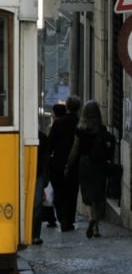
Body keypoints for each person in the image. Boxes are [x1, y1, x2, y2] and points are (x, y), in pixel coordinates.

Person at [66, 100, 113, 239]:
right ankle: (96, 227)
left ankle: (92, 218)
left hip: (85, 164)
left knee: (88, 196)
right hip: (99, 165)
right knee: (98, 196)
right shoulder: (101, 129)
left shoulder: (80, 129)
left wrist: (68, 164)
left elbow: (75, 149)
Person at [48, 95, 81, 232]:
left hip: (58, 164)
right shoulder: (79, 123)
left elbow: (50, 145)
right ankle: (69, 219)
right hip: (74, 164)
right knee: (72, 193)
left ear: (67, 106)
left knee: (60, 192)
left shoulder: (58, 123)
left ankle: (63, 218)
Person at [32, 130, 50, 245]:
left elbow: (45, 159)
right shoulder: (42, 137)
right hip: (37, 174)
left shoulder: (42, 137)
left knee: (37, 204)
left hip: (37, 174)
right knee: (37, 204)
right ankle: (34, 234)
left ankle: (35, 234)